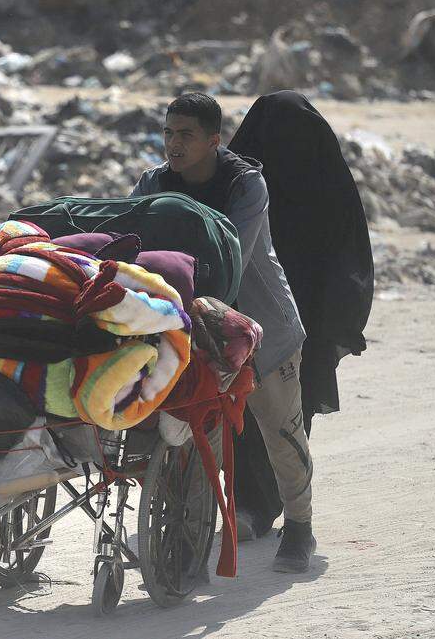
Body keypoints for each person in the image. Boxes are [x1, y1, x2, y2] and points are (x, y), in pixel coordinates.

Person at [130, 92, 316, 573]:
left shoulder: (245, 186)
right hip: (194, 329)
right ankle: (193, 528)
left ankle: (299, 527)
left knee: (281, 433)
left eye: (186, 135)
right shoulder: (154, 183)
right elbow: (128, 240)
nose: (174, 143)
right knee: (197, 435)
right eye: (168, 132)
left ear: (214, 140)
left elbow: (226, 259)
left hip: (262, 329)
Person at [225, 91, 374, 541]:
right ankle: (248, 503)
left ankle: (271, 506)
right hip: (248, 308)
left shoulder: (326, 189)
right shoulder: (244, 187)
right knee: (243, 411)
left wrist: (338, 323)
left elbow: (350, 260)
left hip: (302, 322)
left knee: (287, 414)